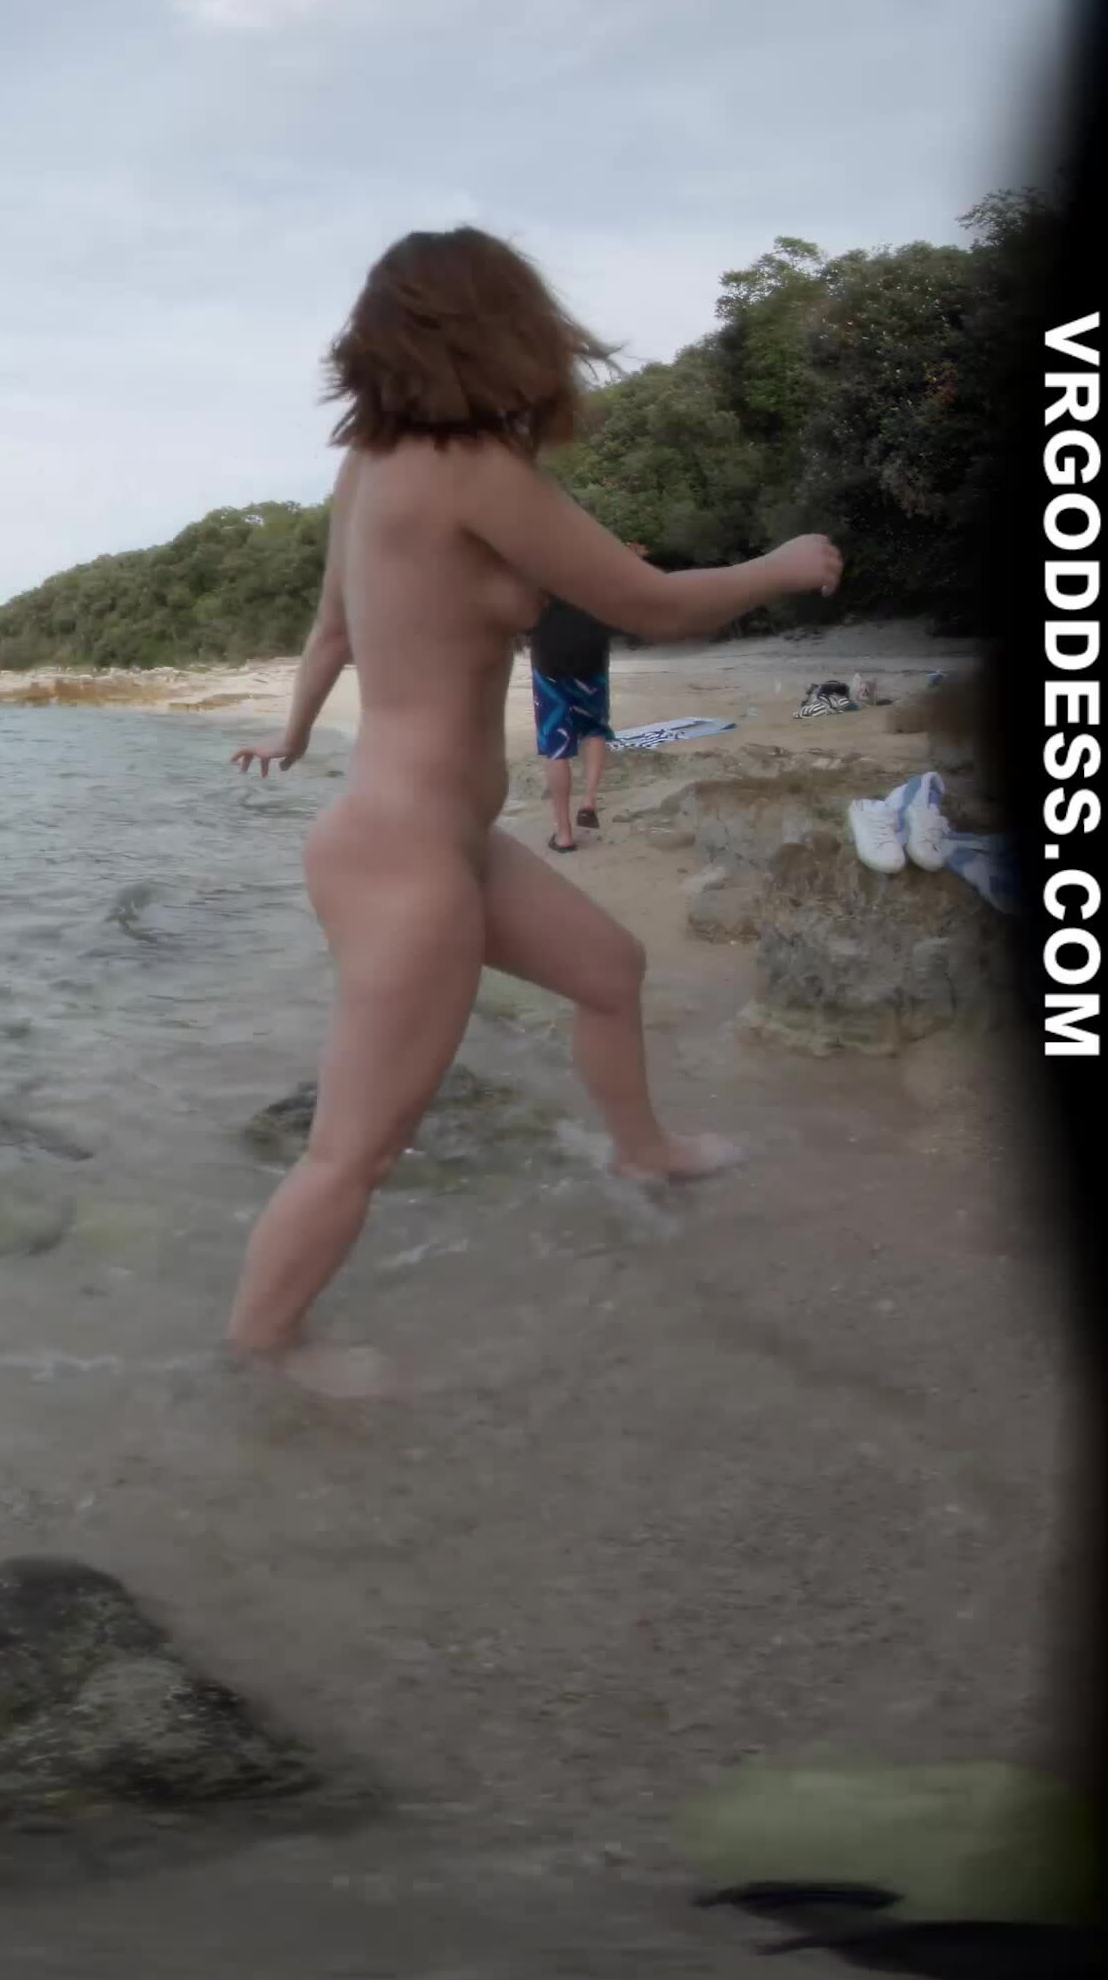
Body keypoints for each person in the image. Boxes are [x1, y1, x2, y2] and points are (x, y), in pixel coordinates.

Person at [227, 229, 835, 1399]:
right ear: (500, 330)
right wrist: (782, 564)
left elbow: (335, 629)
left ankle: (643, 1152)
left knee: (608, 970)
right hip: (406, 864)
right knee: (353, 1149)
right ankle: (261, 1354)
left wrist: (296, 733)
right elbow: (652, 604)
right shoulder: (473, 473)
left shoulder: (367, 462)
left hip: (425, 840)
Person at [527, 593, 617, 851]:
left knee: (555, 744)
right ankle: (589, 799)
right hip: (592, 647)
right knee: (594, 728)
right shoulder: (597, 567)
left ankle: (564, 834)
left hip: (549, 652)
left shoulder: (540, 569)